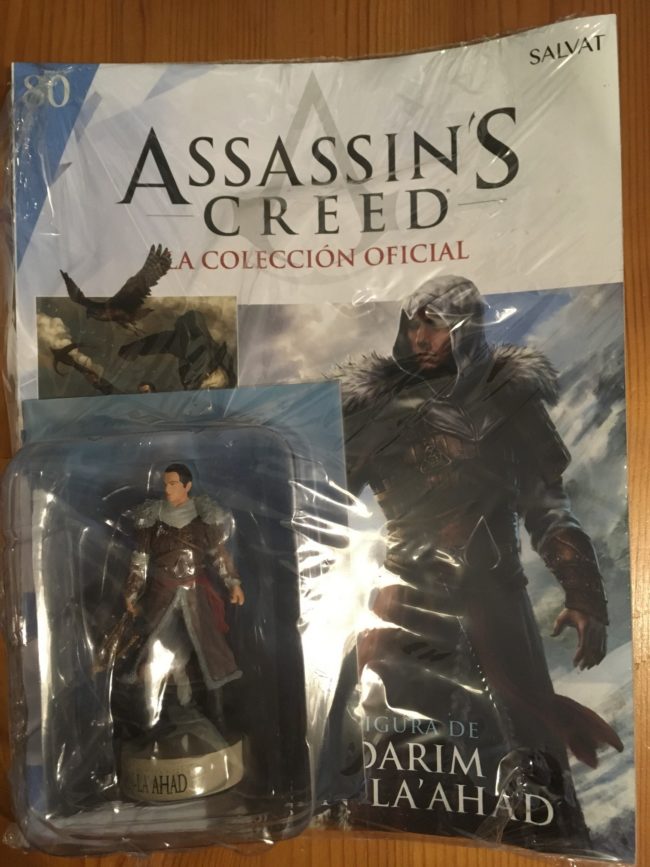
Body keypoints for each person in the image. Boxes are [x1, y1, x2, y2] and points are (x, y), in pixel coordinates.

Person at [334, 275, 622, 850]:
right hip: (407, 600)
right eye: (413, 325)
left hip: (496, 601)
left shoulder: (509, 399)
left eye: (436, 325)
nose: (421, 338)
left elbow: (548, 508)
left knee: (522, 746)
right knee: (403, 750)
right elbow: (325, 502)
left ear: (465, 329)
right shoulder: (374, 410)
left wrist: (583, 595)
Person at [116, 463, 244, 730]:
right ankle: (149, 714)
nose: (167, 488)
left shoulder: (204, 515)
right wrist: (132, 591)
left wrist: (233, 583)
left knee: (210, 649)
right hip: (161, 591)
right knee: (150, 646)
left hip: (195, 591)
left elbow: (219, 555)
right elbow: (140, 559)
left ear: (187, 486)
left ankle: (218, 711)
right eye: (166, 483)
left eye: (173, 483)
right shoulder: (152, 517)